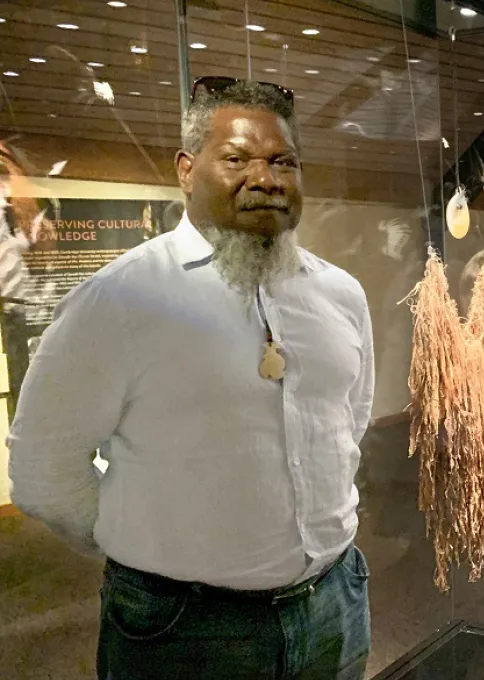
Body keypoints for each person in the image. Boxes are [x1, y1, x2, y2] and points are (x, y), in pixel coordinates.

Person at [8, 77, 374, 679]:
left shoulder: (340, 294)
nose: (265, 178)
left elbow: (348, 421)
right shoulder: (123, 299)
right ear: (185, 169)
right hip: (186, 631)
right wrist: (143, 543)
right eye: (236, 159)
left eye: (283, 161)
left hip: (336, 605)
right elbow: (44, 470)